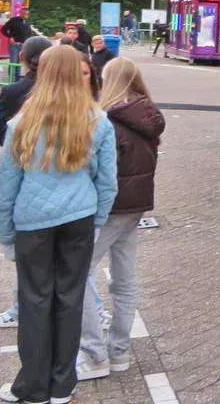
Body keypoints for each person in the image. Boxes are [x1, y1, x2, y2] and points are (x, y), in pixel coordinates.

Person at [0, 45, 117, 404]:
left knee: (34, 301)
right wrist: (97, 219)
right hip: (79, 217)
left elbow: (6, 186)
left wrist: (6, 233)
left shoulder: (21, 122)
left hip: (32, 221)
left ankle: (33, 386)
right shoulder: (97, 120)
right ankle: (62, 383)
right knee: (70, 299)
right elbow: (107, 182)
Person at [76, 57, 164, 381]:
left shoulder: (105, 120)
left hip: (109, 208)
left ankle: (94, 353)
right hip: (135, 205)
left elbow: (100, 170)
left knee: (77, 275)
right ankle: (119, 351)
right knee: (124, 279)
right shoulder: (148, 115)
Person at [0, 36, 53, 330]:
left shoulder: (14, 91)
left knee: (28, 255)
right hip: (62, 183)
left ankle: (20, 309)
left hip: (24, 176)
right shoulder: (69, 92)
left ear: (23, 57)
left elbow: (0, 133)